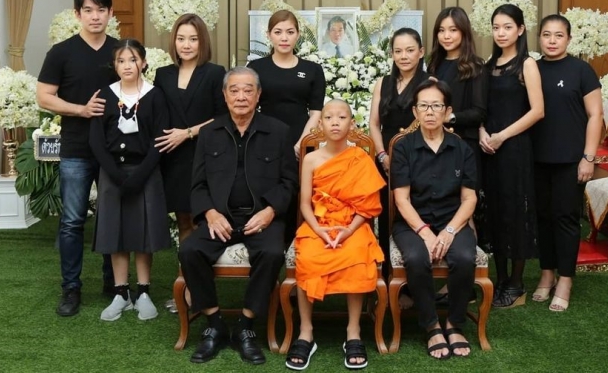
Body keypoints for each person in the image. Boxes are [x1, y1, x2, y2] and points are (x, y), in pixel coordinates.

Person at [178, 66, 298, 365]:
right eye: (234, 90)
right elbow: (198, 184)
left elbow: (289, 182)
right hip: (220, 217)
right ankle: (214, 324)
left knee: (272, 253)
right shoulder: (209, 133)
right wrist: (210, 213)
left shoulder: (279, 131)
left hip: (262, 218)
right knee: (190, 250)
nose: (241, 96)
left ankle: (246, 325)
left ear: (258, 95)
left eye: (248, 90)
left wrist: (270, 211)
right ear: (225, 95)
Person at [37, 0, 119, 317]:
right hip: (76, 149)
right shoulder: (61, 52)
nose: (95, 16)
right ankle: (71, 288)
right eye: (88, 10)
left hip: (115, 150)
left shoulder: (120, 51)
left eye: (101, 10)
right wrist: (80, 110)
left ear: (111, 13)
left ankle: (115, 283)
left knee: (112, 217)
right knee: (72, 221)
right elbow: (44, 96)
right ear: (77, 14)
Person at [286, 100, 385, 370]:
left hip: (352, 225)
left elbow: (368, 206)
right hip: (318, 224)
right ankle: (306, 331)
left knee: (357, 258)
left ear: (352, 124)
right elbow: (304, 204)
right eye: (329, 117)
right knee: (308, 257)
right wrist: (319, 230)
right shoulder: (310, 159)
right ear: (320, 124)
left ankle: (353, 330)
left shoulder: (361, 158)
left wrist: (348, 230)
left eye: (342, 117)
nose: (335, 122)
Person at [390, 79, 478, 360]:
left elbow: (469, 199)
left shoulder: (462, 149)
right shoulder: (403, 148)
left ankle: (454, 323)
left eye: (436, 106)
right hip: (412, 223)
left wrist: (450, 231)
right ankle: (431, 326)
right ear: (415, 111)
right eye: (424, 106)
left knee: (464, 256)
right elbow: (401, 199)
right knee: (417, 257)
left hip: (453, 220)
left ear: (447, 111)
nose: (430, 112)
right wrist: (426, 233)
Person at [89, 39, 170, 321]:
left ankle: (144, 292)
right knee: (116, 232)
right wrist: (114, 174)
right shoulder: (105, 95)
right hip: (112, 173)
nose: (127, 66)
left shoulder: (155, 96)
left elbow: (160, 140)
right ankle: (121, 293)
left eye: (133, 60)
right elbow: (96, 139)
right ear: (115, 65)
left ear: (143, 63)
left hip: (146, 172)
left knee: (143, 233)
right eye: (121, 61)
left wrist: (140, 175)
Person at [532, 15, 603, 312]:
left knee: (565, 218)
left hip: (570, 160)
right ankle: (546, 273)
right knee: (542, 218)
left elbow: (595, 115)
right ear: (539, 38)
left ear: (569, 39)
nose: (552, 41)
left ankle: (565, 279)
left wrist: (588, 157)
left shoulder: (581, 70)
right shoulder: (532, 69)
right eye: (546, 35)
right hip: (536, 158)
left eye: (558, 35)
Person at [479, 3, 544, 309]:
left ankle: (517, 284)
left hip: (515, 148)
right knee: (494, 211)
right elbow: (481, 107)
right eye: (496, 27)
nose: (501, 33)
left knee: (516, 212)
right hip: (489, 149)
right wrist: (482, 132)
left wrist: (502, 135)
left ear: (520, 30)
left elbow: (538, 111)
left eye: (507, 27)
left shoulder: (527, 64)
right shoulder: (488, 65)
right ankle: (501, 279)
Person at [154, 14, 226, 245]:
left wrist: (187, 133)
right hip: (173, 156)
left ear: (202, 41)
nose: (186, 45)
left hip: (204, 154)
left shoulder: (215, 73)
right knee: (183, 221)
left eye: (193, 39)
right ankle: (184, 266)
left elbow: (223, 117)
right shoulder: (163, 74)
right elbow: (156, 113)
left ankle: (201, 264)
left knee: (201, 219)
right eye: (181, 38)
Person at [427, 6, 489, 266]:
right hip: (436, 146)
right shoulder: (434, 63)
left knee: (466, 210)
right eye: (441, 30)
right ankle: (446, 270)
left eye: (453, 30)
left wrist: (448, 118)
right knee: (444, 207)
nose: (446, 36)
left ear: (464, 32)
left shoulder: (475, 66)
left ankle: (468, 272)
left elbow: (479, 111)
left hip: (465, 146)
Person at [368, 27, 426, 254]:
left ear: (421, 52)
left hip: (419, 156)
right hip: (385, 157)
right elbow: (374, 124)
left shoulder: (429, 82)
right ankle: (384, 266)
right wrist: (382, 155)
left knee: (413, 208)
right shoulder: (383, 83)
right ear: (392, 54)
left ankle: (415, 262)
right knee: (384, 209)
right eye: (398, 51)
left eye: (410, 50)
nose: (404, 56)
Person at [248, 10, 326, 154]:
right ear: (268, 35)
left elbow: (316, 112)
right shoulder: (256, 68)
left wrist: (301, 145)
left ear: (298, 34)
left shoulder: (313, 69)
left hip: (302, 139)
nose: (284, 38)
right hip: (264, 138)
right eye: (278, 32)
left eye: (290, 32)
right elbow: (249, 108)